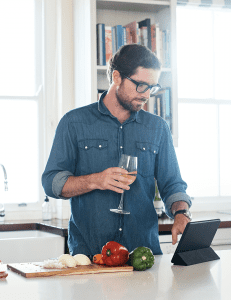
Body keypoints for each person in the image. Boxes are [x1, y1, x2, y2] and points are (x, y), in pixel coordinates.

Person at [42, 44, 192, 256]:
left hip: (143, 255)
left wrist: (181, 212)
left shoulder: (158, 128)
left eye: (152, 87)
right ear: (117, 77)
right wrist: (95, 180)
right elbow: (51, 182)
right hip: (90, 256)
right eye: (141, 85)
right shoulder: (74, 122)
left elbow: (173, 184)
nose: (147, 94)